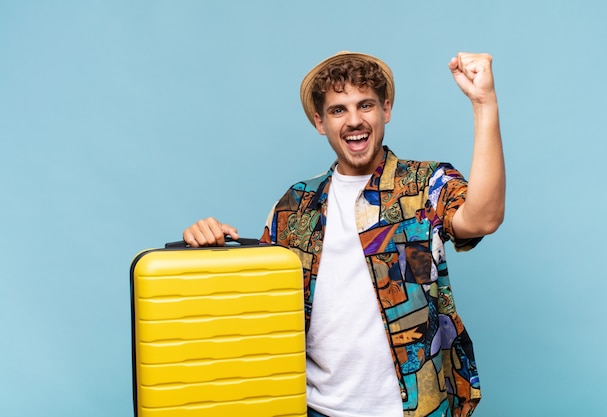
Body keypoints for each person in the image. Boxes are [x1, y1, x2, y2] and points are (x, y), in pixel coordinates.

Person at [183, 51, 505, 417]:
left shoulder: (424, 185)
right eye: (338, 110)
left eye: (365, 105)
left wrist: (484, 105)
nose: (354, 121)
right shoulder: (295, 205)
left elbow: (482, 219)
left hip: (411, 409)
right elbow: (258, 311)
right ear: (320, 122)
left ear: (386, 110)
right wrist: (209, 247)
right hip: (310, 408)